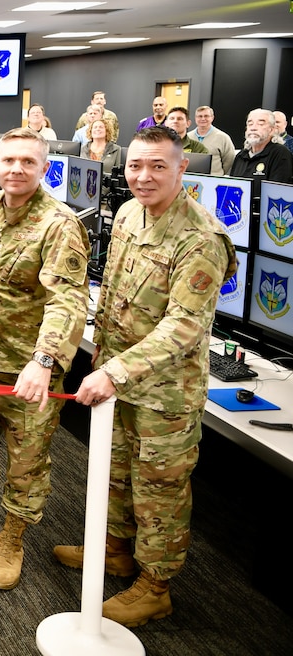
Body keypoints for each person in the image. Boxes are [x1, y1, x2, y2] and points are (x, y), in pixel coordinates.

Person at [54, 125, 236, 628]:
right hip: (117, 379)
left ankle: (156, 586)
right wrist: (101, 354)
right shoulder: (130, 214)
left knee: (159, 489)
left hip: (164, 393)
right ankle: (114, 550)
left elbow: (184, 325)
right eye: (136, 165)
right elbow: (112, 288)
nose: (143, 175)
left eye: (158, 165)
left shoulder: (200, 238)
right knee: (115, 474)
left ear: (182, 169)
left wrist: (114, 369)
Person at [0, 128, 90, 591]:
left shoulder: (59, 224)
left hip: (31, 369)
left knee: (26, 459)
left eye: (27, 162)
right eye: (8, 160)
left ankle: (12, 538)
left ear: (45, 168)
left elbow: (68, 301)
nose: (15, 169)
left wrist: (45, 359)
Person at [229, 108, 293, 183]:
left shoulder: (280, 154)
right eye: (250, 124)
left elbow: (278, 191)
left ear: (272, 130)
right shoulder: (241, 156)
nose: (253, 128)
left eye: (260, 124)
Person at [191, 105, 236, 175]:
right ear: (195, 118)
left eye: (206, 116)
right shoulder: (188, 137)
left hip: (214, 181)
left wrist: (218, 173)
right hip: (192, 181)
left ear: (212, 118)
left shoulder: (223, 137)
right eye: (200, 116)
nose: (203, 119)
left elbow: (229, 160)